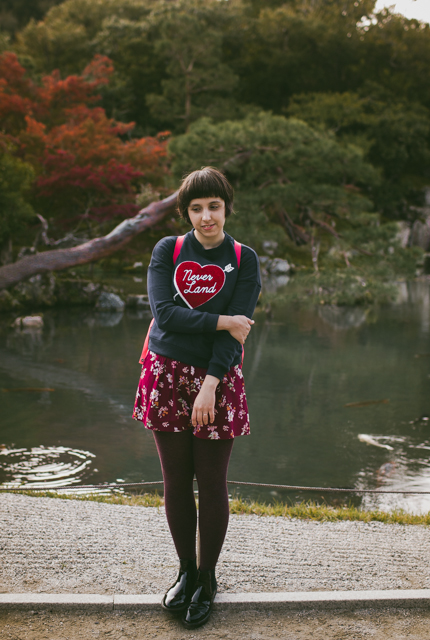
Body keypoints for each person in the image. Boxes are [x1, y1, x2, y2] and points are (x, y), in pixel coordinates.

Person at [132, 166, 262, 629]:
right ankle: (185, 571)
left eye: (214, 207)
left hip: (217, 380)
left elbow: (238, 334)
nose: (206, 216)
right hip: (165, 375)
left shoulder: (244, 260)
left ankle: (207, 579)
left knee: (211, 483)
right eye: (196, 208)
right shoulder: (169, 250)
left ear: (226, 207)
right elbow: (164, 316)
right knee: (174, 482)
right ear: (187, 212)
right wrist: (221, 319)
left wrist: (210, 382)